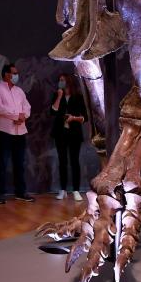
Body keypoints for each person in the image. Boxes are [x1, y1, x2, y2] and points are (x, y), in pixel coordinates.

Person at [0, 63, 33, 203]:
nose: (16, 76)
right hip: (5, 132)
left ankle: (20, 192)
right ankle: (0, 194)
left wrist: (23, 116)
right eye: (14, 73)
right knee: (2, 164)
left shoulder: (19, 91)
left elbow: (27, 106)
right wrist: (16, 116)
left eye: (16, 73)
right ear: (6, 74)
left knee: (20, 164)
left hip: (20, 132)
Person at [49, 72, 88, 201]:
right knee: (62, 162)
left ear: (69, 82)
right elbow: (52, 111)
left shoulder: (78, 97)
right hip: (60, 133)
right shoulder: (56, 95)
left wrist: (74, 118)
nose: (61, 82)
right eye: (59, 80)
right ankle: (63, 190)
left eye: (63, 80)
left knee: (74, 161)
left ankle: (76, 190)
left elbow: (85, 117)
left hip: (74, 133)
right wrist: (59, 97)